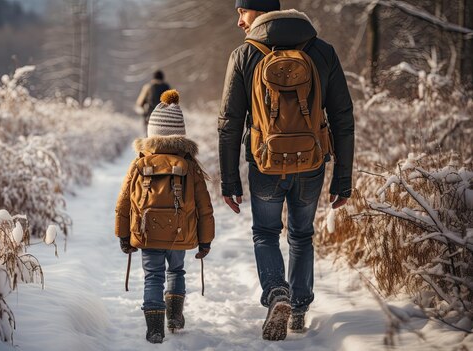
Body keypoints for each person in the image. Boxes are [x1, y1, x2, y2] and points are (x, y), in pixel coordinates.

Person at [218, 0, 355, 341]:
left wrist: (229, 179)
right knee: (301, 235)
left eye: (242, 12)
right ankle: (299, 306)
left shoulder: (244, 56)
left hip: (265, 163)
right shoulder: (322, 51)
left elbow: (229, 124)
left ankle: (276, 293)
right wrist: (343, 176)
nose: (239, 21)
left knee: (265, 233)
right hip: (311, 162)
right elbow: (342, 117)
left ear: (260, 11)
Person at [116, 90, 215, 344]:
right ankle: (174, 317)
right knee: (177, 271)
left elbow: (124, 203)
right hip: (180, 233)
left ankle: (154, 328)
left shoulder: (139, 163)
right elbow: (204, 206)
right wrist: (205, 240)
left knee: (153, 276)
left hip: (147, 234)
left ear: (152, 134)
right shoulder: (190, 165)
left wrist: (124, 235)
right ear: (180, 136)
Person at [136, 70, 171, 135]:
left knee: (149, 136)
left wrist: (144, 111)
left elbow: (140, 103)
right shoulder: (167, 87)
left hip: (151, 117)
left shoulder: (148, 87)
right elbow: (173, 103)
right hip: (165, 118)